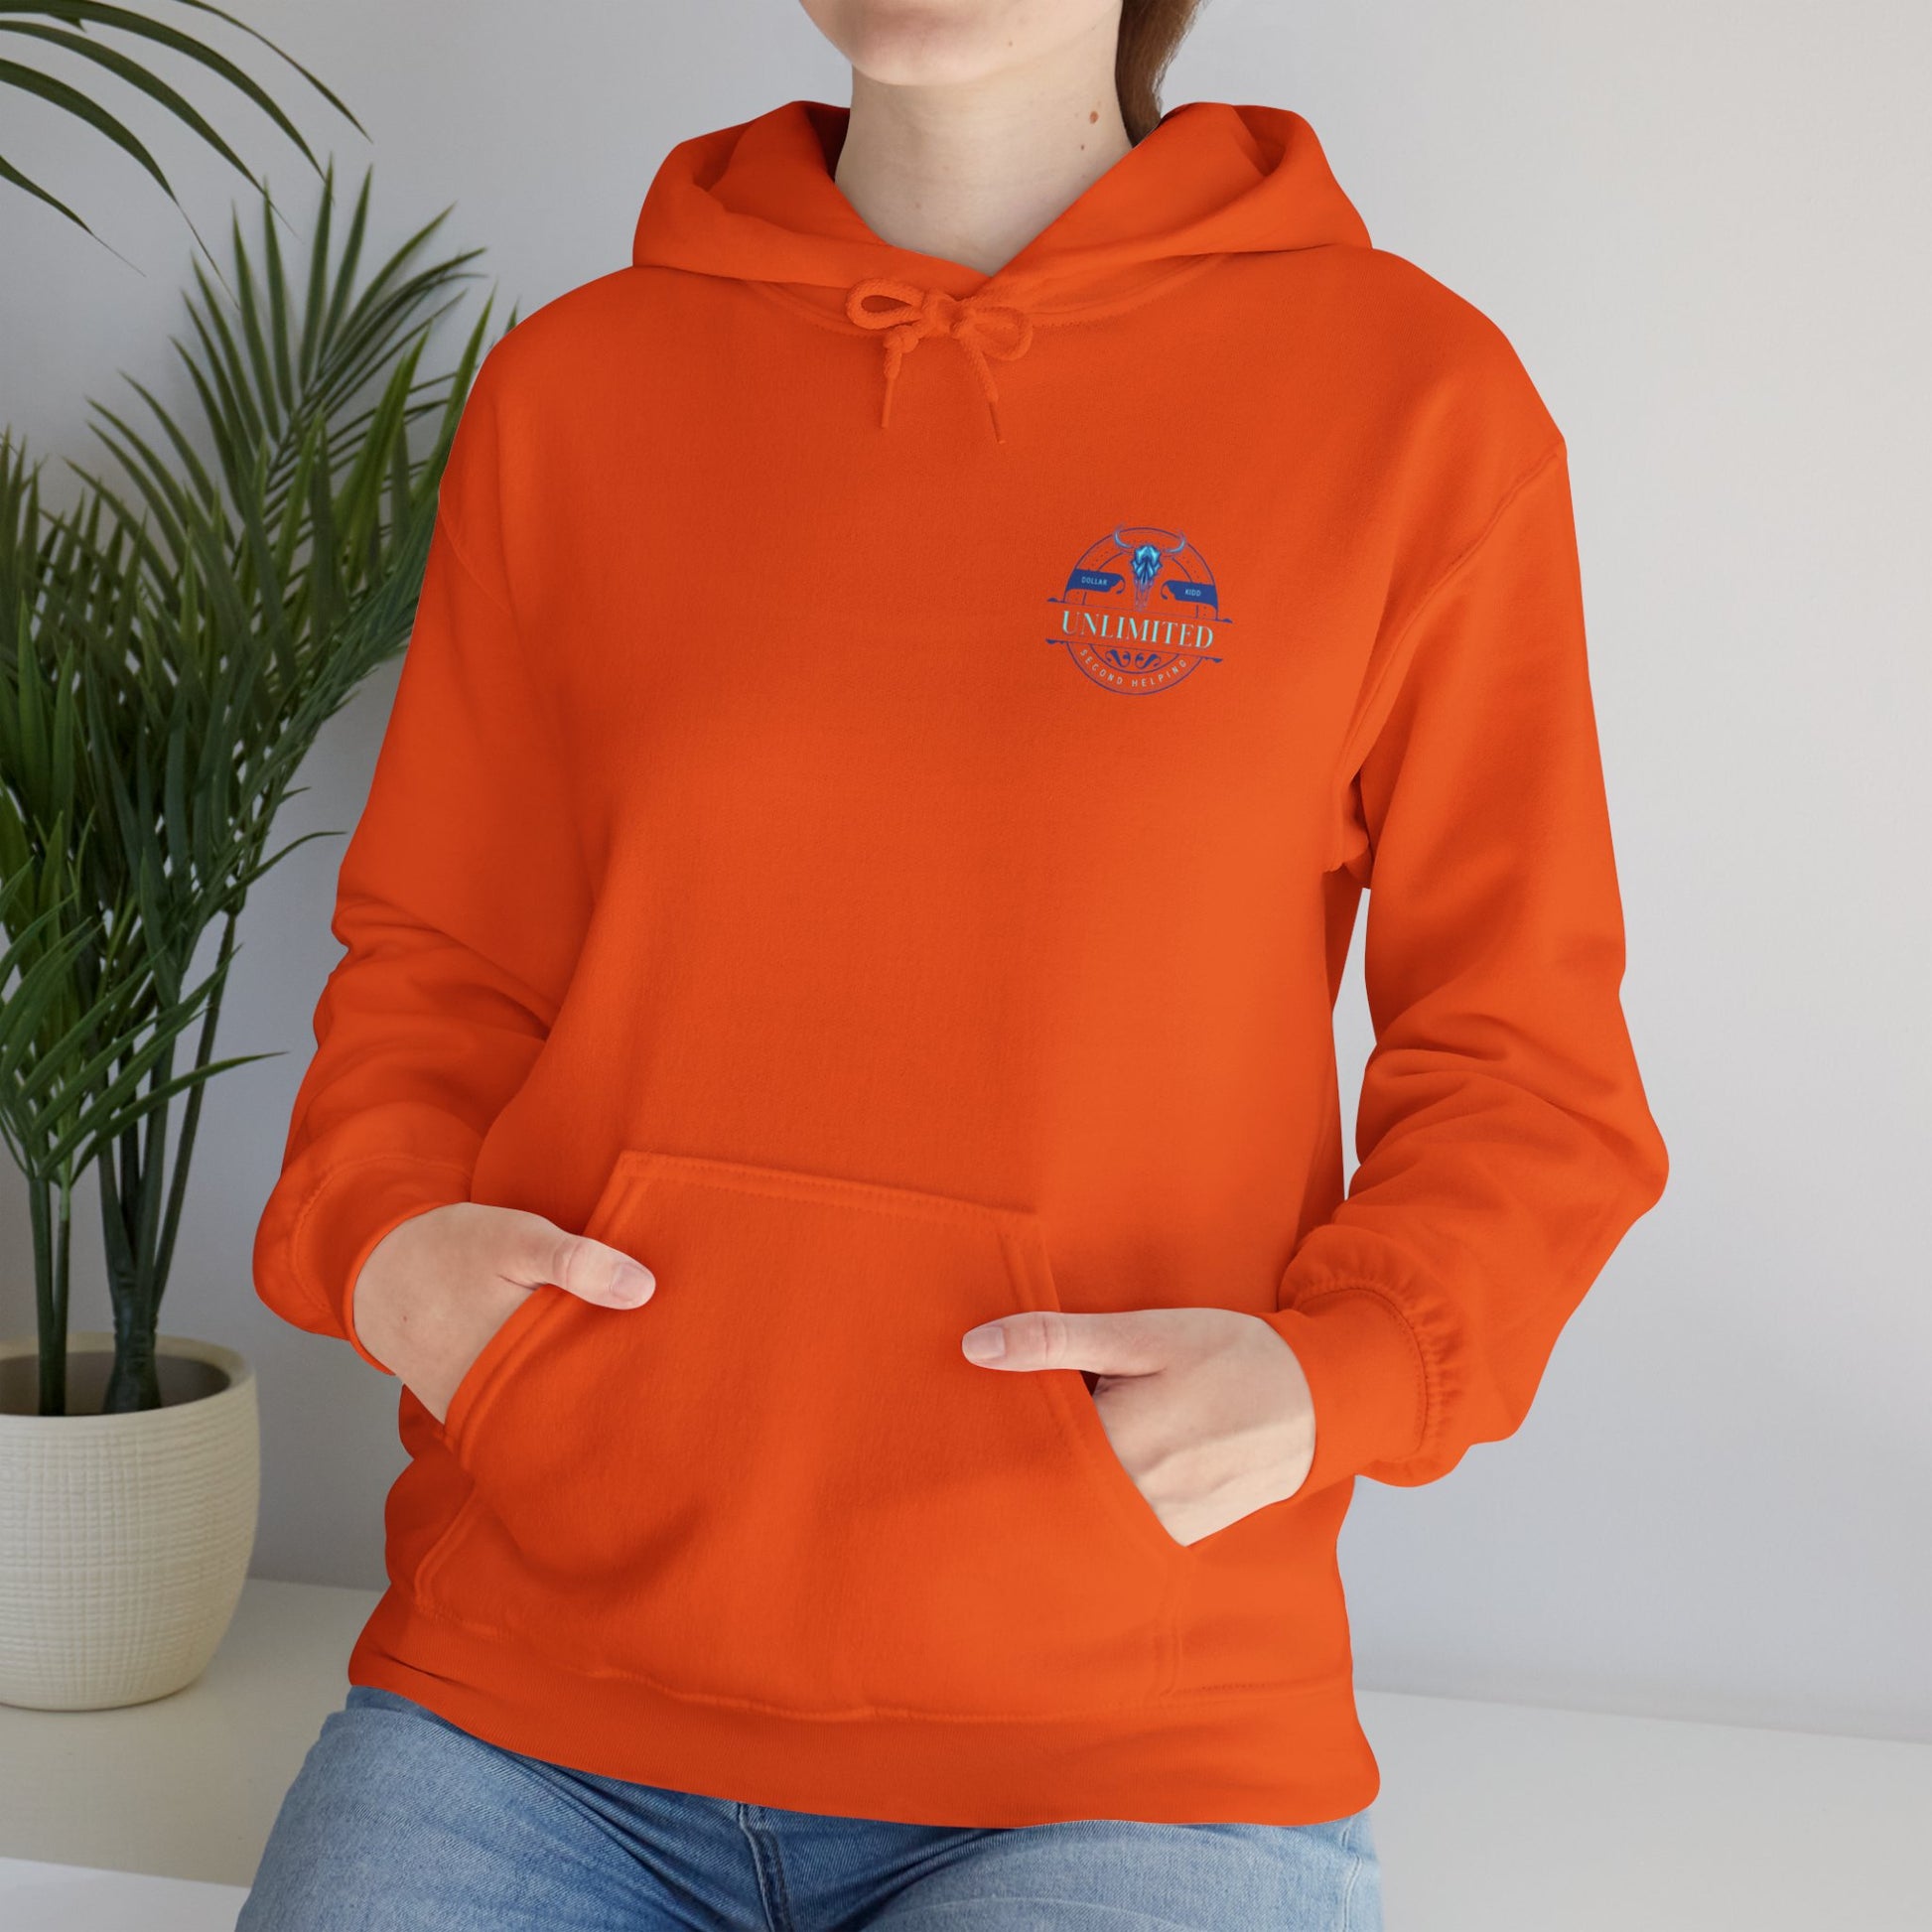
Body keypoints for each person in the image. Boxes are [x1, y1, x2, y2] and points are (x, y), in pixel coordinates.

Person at [240, 0, 1668, 1924]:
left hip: (1128, 1745)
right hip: (535, 1705)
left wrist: (1344, 1373)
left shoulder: (1413, 405)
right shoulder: (578, 390)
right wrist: (388, 1247)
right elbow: (438, 956)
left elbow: (1525, 1061)